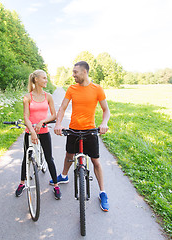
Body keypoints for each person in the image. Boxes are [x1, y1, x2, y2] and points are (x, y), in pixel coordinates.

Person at [51, 61, 110, 211]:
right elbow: (63, 108)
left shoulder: (97, 89)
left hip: (90, 131)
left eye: (75, 72)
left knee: (96, 161)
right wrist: (58, 124)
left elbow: (106, 110)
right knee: (69, 156)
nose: (73, 75)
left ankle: (103, 192)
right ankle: (64, 176)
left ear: (84, 72)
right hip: (74, 130)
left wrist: (104, 123)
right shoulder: (72, 88)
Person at [15, 69, 61, 200]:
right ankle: (22, 183)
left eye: (46, 78)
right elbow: (26, 117)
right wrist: (32, 132)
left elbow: (53, 115)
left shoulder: (49, 96)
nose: (46, 80)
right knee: (26, 157)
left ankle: (56, 185)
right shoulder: (27, 97)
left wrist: (42, 121)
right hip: (30, 131)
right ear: (36, 80)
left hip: (44, 131)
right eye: (44, 78)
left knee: (49, 158)